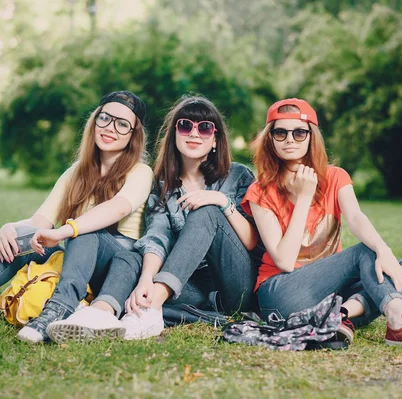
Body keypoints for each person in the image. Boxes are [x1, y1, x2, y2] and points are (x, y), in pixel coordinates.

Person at [0, 91, 153, 344]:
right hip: (79, 262)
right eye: (105, 118)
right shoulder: (76, 172)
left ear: (133, 135)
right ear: (94, 121)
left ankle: (58, 311)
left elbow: (118, 208)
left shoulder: (141, 172)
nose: (110, 128)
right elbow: (40, 223)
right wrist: (10, 228)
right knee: (24, 240)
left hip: (116, 273)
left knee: (81, 229)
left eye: (122, 124)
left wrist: (66, 230)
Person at [240, 98, 402, 352]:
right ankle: (399, 321)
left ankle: (339, 314)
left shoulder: (335, 176)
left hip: (335, 292)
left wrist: (384, 251)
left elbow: (356, 218)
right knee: (363, 252)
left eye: (299, 132)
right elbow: (283, 260)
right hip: (282, 294)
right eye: (280, 132)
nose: (290, 139)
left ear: (312, 137)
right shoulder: (260, 191)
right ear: (270, 139)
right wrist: (303, 198)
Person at [44, 95, 260, 343]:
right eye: (185, 125)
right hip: (188, 288)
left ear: (215, 140)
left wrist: (221, 202)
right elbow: (158, 236)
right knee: (132, 257)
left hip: (234, 284)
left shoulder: (237, 175)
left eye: (205, 128)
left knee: (207, 211)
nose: (194, 133)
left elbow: (252, 241)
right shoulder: (162, 187)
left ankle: (151, 307)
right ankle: (101, 313)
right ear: (174, 134)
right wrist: (147, 279)